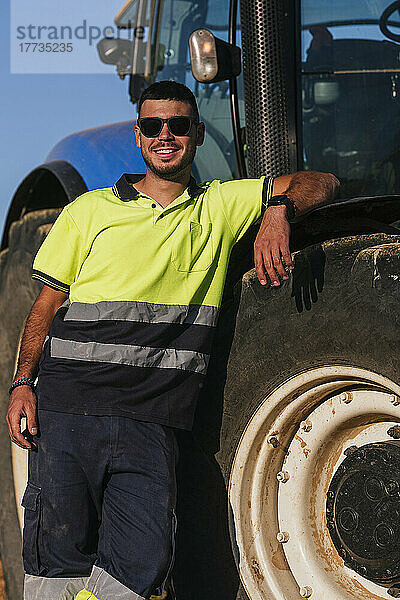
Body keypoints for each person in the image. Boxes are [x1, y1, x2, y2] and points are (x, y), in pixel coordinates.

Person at [6, 80, 339, 600]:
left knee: (142, 566)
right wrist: (21, 384)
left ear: (198, 134)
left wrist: (279, 211)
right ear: (138, 137)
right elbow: (44, 307)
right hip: (71, 411)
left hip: (153, 421)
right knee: (57, 561)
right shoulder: (88, 211)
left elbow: (322, 180)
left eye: (179, 125)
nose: (167, 135)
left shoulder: (220, 206)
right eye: (155, 126)